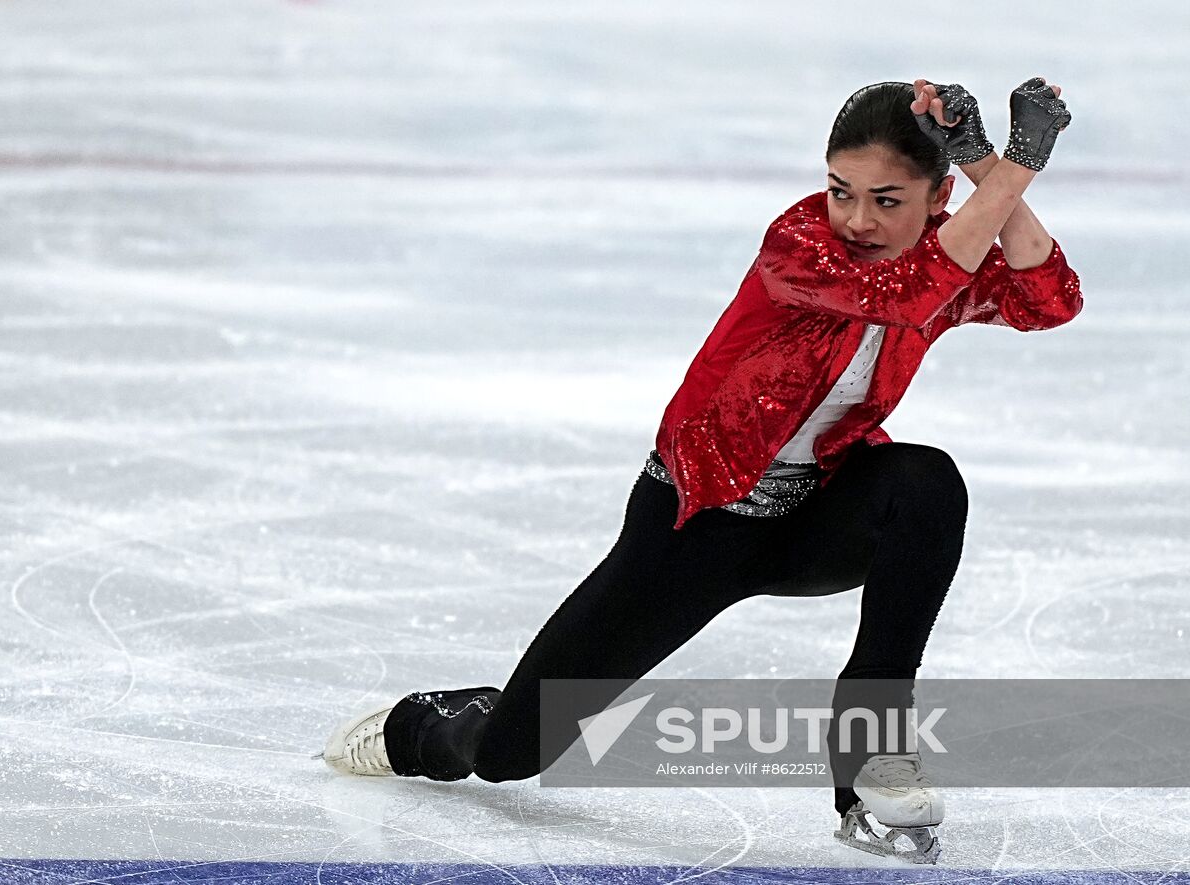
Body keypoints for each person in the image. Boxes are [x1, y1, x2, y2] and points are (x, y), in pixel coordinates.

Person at [318, 77, 1079, 864]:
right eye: (840, 190)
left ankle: (871, 759)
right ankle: (433, 722)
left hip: (813, 516)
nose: (856, 219)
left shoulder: (938, 257)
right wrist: (1019, 164)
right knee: (508, 753)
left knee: (926, 483)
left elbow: (1047, 297)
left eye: (887, 200)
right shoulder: (800, 244)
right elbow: (898, 292)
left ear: (938, 194)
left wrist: (991, 161)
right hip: (692, 526)